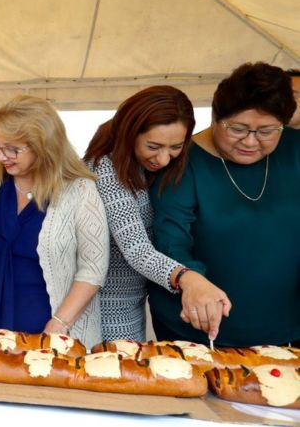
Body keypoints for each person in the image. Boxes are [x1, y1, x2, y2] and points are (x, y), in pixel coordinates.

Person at [150, 62, 300, 347]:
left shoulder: (295, 150)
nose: (250, 141)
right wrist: (191, 280)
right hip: (199, 328)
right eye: (238, 128)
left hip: (287, 325)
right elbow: (170, 241)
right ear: (215, 116)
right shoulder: (182, 165)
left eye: (267, 131)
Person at [0, 95, 109, 348]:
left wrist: (60, 324)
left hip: (52, 333)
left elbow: (93, 269)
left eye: (13, 149)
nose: (0, 156)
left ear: (44, 146)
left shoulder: (80, 191)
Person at [84, 86, 229, 341]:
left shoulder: (140, 169)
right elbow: (136, 249)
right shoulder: (105, 169)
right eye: (154, 146)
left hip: (132, 304)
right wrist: (186, 278)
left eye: (176, 147)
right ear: (129, 133)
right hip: (102, 309)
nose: (163, 159)